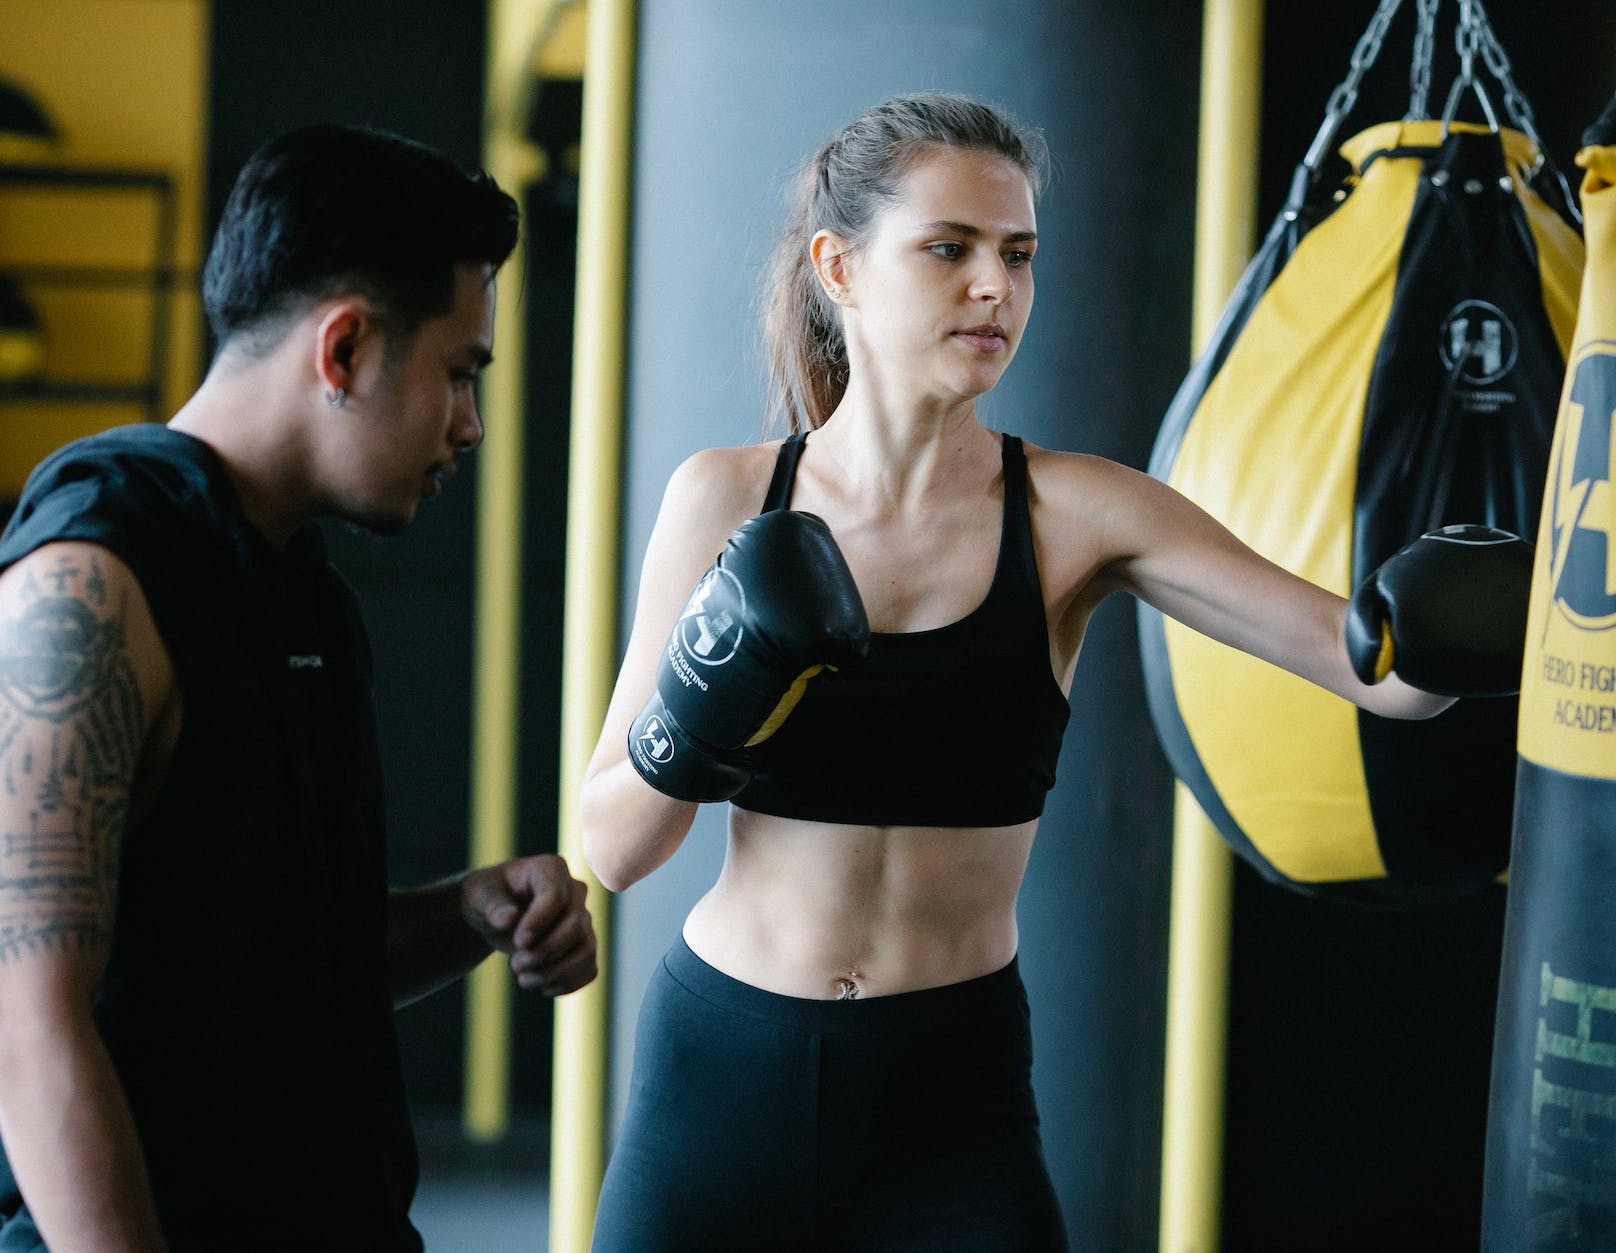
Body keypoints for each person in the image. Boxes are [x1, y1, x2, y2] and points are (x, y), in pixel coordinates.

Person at [581, 93, 1521, 1251]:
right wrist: (710, 691)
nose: (995, 288)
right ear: (839, 267)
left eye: (1017, 255)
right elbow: (613, 849)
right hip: (720, 1075)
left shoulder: (1078, 513)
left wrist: (1453, 631)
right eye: (949, 249)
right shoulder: (724, 498)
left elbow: (1370, 670)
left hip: (949, 1097)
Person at [0, 125, 598, 1252]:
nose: (469, 424)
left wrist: (471, 910)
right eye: (457, 371)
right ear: (341, 348)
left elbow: (277, 963)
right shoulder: (82, 592)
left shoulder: (298, 591)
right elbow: (24, 1012)